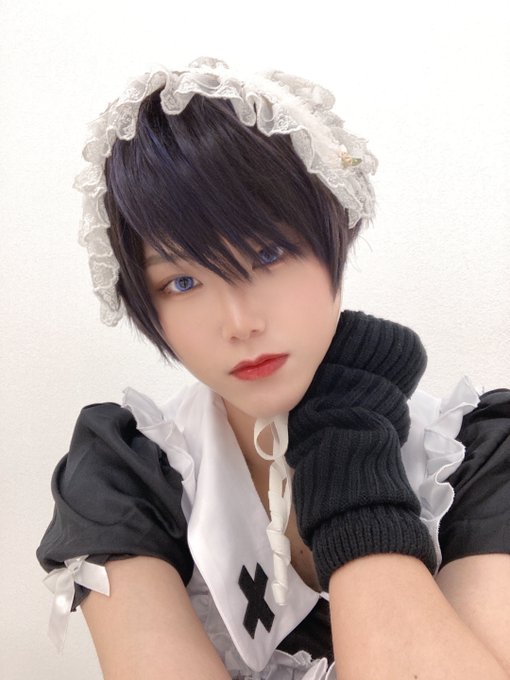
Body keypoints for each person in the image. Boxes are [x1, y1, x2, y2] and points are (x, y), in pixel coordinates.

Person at [37, 56, 510, 679]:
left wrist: (348, 449)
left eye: (268, 253)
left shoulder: (479, 457)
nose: (239, 321)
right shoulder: (125, 475)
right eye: (182, 281)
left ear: (337, 237)